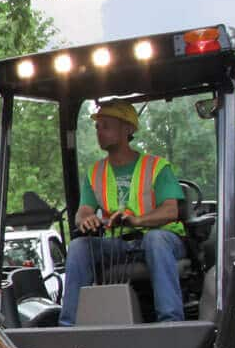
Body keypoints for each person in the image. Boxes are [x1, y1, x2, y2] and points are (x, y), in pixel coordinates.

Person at [61, 100, 185, 326]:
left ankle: (170, 323)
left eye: (106, 126)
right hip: (117, 244)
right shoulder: (95, 172)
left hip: (161, 240)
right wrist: (86, 220)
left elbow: (170, 210)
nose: (99, 132)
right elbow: (84, 211)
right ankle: (69, 326)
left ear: (128, 129)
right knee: (79, 246)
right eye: (97, 127)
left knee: (155, 239)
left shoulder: (157, 166)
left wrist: (138, 220)